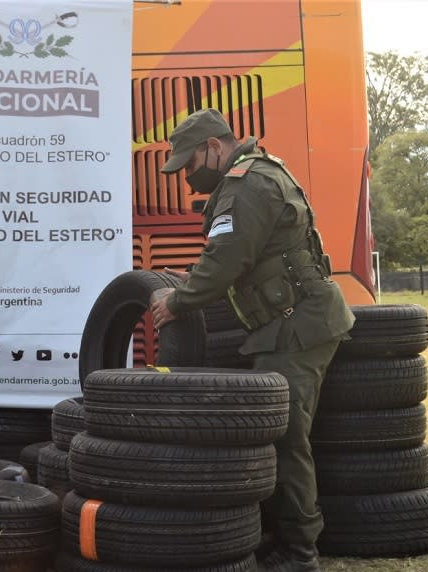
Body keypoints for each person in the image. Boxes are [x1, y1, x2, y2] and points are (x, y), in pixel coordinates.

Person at [149, 108, 355, 572]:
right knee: (280, 437)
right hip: (292, 324)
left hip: (296, 329)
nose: (187, 177)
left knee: (284, 441)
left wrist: (178, 301)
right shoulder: (259, 172)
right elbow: (243, 259)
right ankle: (283, 537)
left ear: (213, 148)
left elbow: (227, 258)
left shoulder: (245, 185)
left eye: (189, 163)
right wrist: (194, 281)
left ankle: (301, 553)